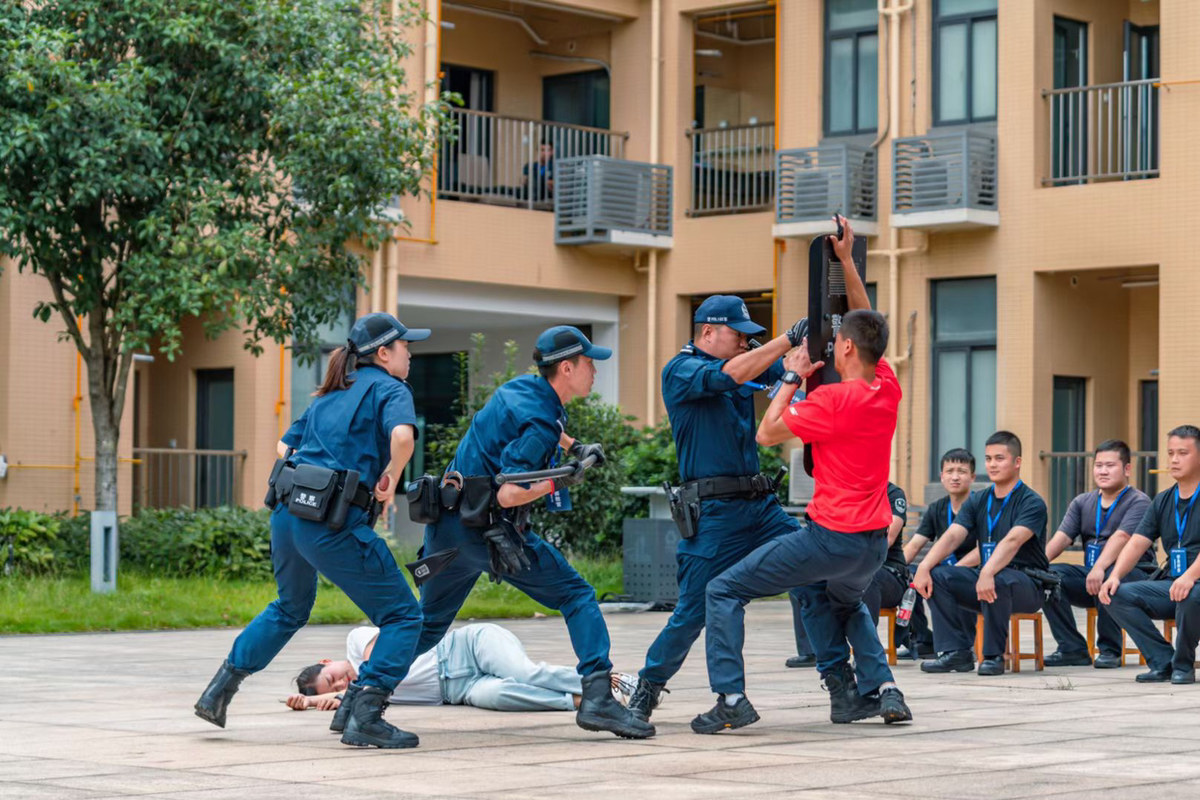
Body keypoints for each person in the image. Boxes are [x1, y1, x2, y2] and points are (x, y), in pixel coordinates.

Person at [694, 215, 912, 732]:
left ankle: (731, 698)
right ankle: (863, 692)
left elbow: (766, 433)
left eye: (840, 340)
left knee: (722, 591)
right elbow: (863, 319)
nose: (836, 342)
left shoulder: (832, 401)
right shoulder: (887, 386)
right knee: (837, 600)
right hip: (872, 544)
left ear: (846, 349)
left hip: (830, 538)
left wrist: (792, 376)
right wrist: (845, 262)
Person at [194, 313, 431, 749]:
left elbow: (284, 446)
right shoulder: (390, 388)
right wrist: (391, 477)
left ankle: (219, 691)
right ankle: (365, 716)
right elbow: (402, 437)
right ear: (383, 353)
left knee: (290, 607)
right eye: (405, 346)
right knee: (403, 616)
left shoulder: (330, 393)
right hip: (331, 522)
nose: (410, 354)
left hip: (288, 514)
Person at [413, 325, 653, 739]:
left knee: (428, 626)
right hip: (488, 532)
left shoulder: (522, 389)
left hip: (446, 527)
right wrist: (562, 478)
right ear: (566, 368)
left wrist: (573, 446)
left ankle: (362, 698)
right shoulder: (542, 419)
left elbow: (535, 424)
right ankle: (598, 699)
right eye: (588, 363)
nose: (595, 370)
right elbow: (508, 494)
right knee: (576, 595)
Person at [624, 282, 812, 720]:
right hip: (714, 515)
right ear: (707, 332)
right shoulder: (681, 370)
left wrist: (813, 342)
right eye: (738, 334)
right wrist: (787, 338)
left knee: (813, 571)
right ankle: (648, 689)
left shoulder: (745, 361)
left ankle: (842, 681)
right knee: (693, 610)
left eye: (749, 336)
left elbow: (788, 371)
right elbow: (729, 377)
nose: (746, 341)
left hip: (761, 509)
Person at [914, 431, 1050, 677]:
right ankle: (956, 652)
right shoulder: (979, 499)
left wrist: (987, 571)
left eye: (1000, 458)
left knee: (998, 579)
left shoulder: (1032, 502)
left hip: (1027, 583)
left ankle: (993, 656)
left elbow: (1012, 541)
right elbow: (953, 535)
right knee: (939, 576)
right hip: (987, 578)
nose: (992, 465)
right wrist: (924, 567)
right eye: (988, 459)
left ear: (1017, 462)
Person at [287, 624, 635, 713]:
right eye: (335, 688)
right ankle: (582, 701)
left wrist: (333, 696)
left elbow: (381, 660)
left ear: (326, 661)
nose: (342, 683)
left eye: (333, 678)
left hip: (466, 647)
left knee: (523, 672)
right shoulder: (361, 694)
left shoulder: (357, 642)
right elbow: (359, 695)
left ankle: (611, 682)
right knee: (500, 695)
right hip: (460, 690)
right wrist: (317, 702)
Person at [1101, 425, 1200, 684]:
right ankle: (1162, 660)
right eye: (1171, 453)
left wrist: (1190, 576)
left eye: (1183, 453)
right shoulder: (1163, 500)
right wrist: (1115, 575)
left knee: (1191, 595)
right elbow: (1136, 542)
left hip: (1194, 585)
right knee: (1115, 594)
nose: (1174, 460)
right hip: (1173, 583)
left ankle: (1183, 666)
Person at [1042, 439, 1152, 668]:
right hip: (1093, 574)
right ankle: (1072, 649)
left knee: (1109, 577)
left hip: (1133, 575)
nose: (1103, 471)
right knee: (1047, 577)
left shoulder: (1139, 501)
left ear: (1127, 469)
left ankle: (1110, 650)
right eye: (1098, 465)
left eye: (1110, 465)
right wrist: (1036, 566)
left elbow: (1122, 537)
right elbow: (1062, 537)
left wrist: (1100, 568)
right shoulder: (1082, 502)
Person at [899, 448, 981, 659]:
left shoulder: (981, 505)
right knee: (906, 575)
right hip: (944, 571)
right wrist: (893, 567)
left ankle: (962, 644)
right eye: (950, 471)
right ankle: (923, 639)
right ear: (941, 476)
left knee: (944, 578)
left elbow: (985, 549)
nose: (955, 477)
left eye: (962, 471)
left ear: (972, 477)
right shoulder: (937, 508)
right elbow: (915, 545)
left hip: (975, 572)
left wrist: (955, 569)